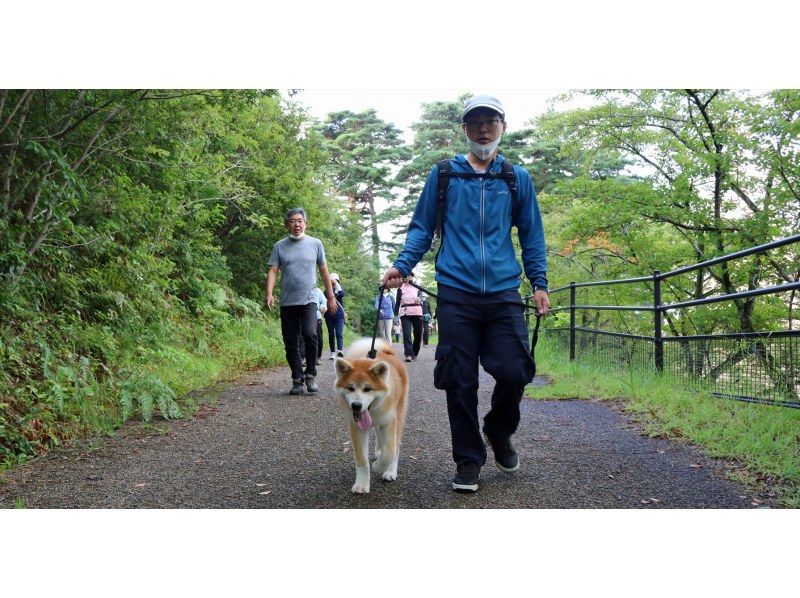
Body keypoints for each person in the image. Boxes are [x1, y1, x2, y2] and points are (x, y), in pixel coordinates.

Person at [381, 94, 550, 493]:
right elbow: (421, 228)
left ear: (502, 126)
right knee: (459, 381)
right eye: (475, 122)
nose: (483, 128)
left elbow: (532, 235)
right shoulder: (444, 175)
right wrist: (402, 265)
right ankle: (468, 461)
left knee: (515, 371)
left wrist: (539, 283)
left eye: (490, 121)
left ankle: (498, 429)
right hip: (456, 293)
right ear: (465, 129)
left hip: (505, 293)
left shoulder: (514, 178)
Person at [266, 208, 337, 395]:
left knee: (310, 334)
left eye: (300, 221)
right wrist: (269, 293)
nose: (296, 224)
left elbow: (324, 271)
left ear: (306, 223)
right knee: (291, 341)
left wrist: (330, 297)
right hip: (288, 301)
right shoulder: (279, 246)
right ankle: (297, 379)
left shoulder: (316, 244)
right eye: (292, 221)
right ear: (286, 224)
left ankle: (311, 374)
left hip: (309, 299)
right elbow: (273, 270)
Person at [395, 271, 423, 362]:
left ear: (412, 277)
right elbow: (397, 302)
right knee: (407, 334)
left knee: (418, 334)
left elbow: (420, 297)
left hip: (417, 312)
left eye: (409, 276)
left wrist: (419, 299)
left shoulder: (417, 287)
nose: (407, 278)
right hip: (405, 313)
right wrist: (395, 315)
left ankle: (415, 352)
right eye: (405, 277)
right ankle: (408, 354)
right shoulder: (400, 288)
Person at [300, 287, 327, 365]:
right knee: (302, 337)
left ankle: (318, 357)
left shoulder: (317, 290)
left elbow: (324, 301)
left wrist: (323, 307)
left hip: (316, 317)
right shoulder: (301, 289)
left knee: (317, 337)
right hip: (302, 316)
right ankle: (303, 357)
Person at [325, 272, 346, 359]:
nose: (333, 282)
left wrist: (336, 283)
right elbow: (326, 296)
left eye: (336, 281)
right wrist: (330, 285)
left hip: (339, 315)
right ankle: (332, 352)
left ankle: (340, 351)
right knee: (331, 334)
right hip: (329, 315)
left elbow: (342, 294)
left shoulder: (340, 290)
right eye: (332, 281)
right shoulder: (326, 291)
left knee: (338, 332)